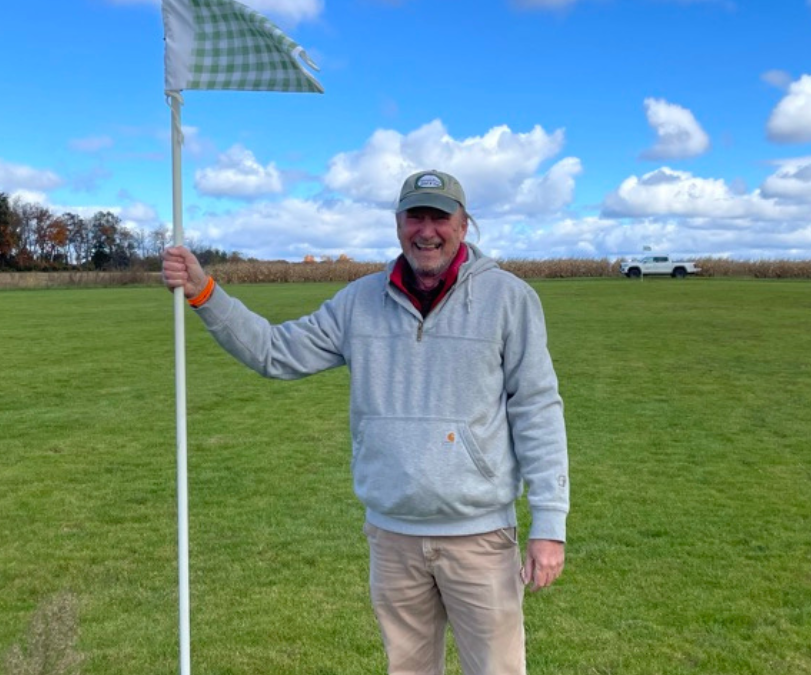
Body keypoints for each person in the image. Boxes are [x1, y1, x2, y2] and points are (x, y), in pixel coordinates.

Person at [162, 169, 569, 675]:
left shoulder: (509, 299)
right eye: (414, 216)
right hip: (392, 537)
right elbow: (274, 352)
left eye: (439, 217)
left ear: (464, 225)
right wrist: (205, 292)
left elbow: (537, 409)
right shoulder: (358, 302)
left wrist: (549, 524)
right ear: (398, 224)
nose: (426, 230)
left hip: (479, 539)